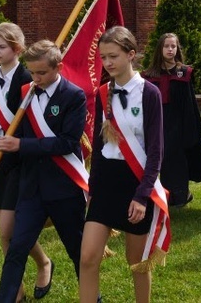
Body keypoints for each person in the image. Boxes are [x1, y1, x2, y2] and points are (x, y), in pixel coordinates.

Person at [0, 40, 87, 303]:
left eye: (42, 73)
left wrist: (21, 145)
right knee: (16, 249)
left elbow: (68, 141)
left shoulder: (74, 96)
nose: (36, 78)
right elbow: (17, 137)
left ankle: (93, 298)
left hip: (64, 187)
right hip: (31, 188)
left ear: (58, 67)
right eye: (32, 72)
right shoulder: (26, 92)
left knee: (77, 251)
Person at [80, 26, 167, 303]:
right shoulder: (102, 93)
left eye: (113, 56)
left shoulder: (149, 93)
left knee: (136, 263)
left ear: (131, 54)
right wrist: (92, 187)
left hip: (137, 183)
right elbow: (98, 143)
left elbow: (155, 151)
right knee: (88, 258)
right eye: (103, 57)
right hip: (106, 182)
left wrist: (142, 197)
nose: (107, 63)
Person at [0, 23, 53, 302]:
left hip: (20, 160)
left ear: (17, 50)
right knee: (7, 232)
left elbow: (31, 128)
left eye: (2, 47)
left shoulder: (29, 79)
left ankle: (32, 273)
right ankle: (22, 280)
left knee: (10, 230)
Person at [142, 33, 201, 207]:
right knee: (164, 160)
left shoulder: (184, 73)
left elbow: (189, 103)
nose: (170, 49)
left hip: (179, 124)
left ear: (177, 49)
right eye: (166, 46)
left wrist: (190, 130)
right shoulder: (149, 75)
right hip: (159, 123)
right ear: (160, 49)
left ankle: (181, 195)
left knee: (179, 159)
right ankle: (167, 194)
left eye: (173, 46)